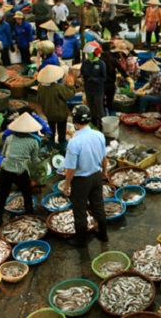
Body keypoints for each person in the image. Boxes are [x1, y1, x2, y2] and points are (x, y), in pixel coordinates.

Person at [61, 105, 108, 247]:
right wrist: (104, 172)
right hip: (96, 176)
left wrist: (66, 185)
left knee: (80, 210)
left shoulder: (74, 142)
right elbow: (104, 158)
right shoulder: (99, 135)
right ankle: (103, 235)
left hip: (81, 181)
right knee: (98, 206)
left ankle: (81, 241)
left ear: (75, 122)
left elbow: (71, 169)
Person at [0, 113, 40, 224]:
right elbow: (35, 161)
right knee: (27, 193)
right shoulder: (33, 142)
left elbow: (4, 154)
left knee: (3, 194)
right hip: (20, 172)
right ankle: (29, 214)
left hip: (5, 170)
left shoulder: (9, 138)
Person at [37, 65, 75, 155]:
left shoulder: (40, 87)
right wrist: (71, 87)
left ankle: (51, 149)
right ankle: (62, 150)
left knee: (51, 132)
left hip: (48, 114)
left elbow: (39, 99)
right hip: (60, 114)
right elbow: (69, 95)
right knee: (62, 133)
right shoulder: (58, 87)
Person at [81, 42, 107, 130]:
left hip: (98, 90)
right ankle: (92, 123)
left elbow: (103, 78)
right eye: (87, 54)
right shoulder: (85, 63)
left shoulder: (101, 64)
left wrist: (94, 79)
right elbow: (82, 73)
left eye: (89, 54)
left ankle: (102, 126)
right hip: (88, 89)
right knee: (90, 107)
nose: (88, 55)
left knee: (100, 108)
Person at [101, 42, 129, 116]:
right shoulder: (113, 60)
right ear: (110, 49)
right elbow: (121, 70)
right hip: (111, 86)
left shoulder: (100, 60)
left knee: (101, 103)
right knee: (110, 102)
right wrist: (128, 78)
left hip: (101, 85)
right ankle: (112, 118)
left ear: (101, 49)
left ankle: (103, 118)